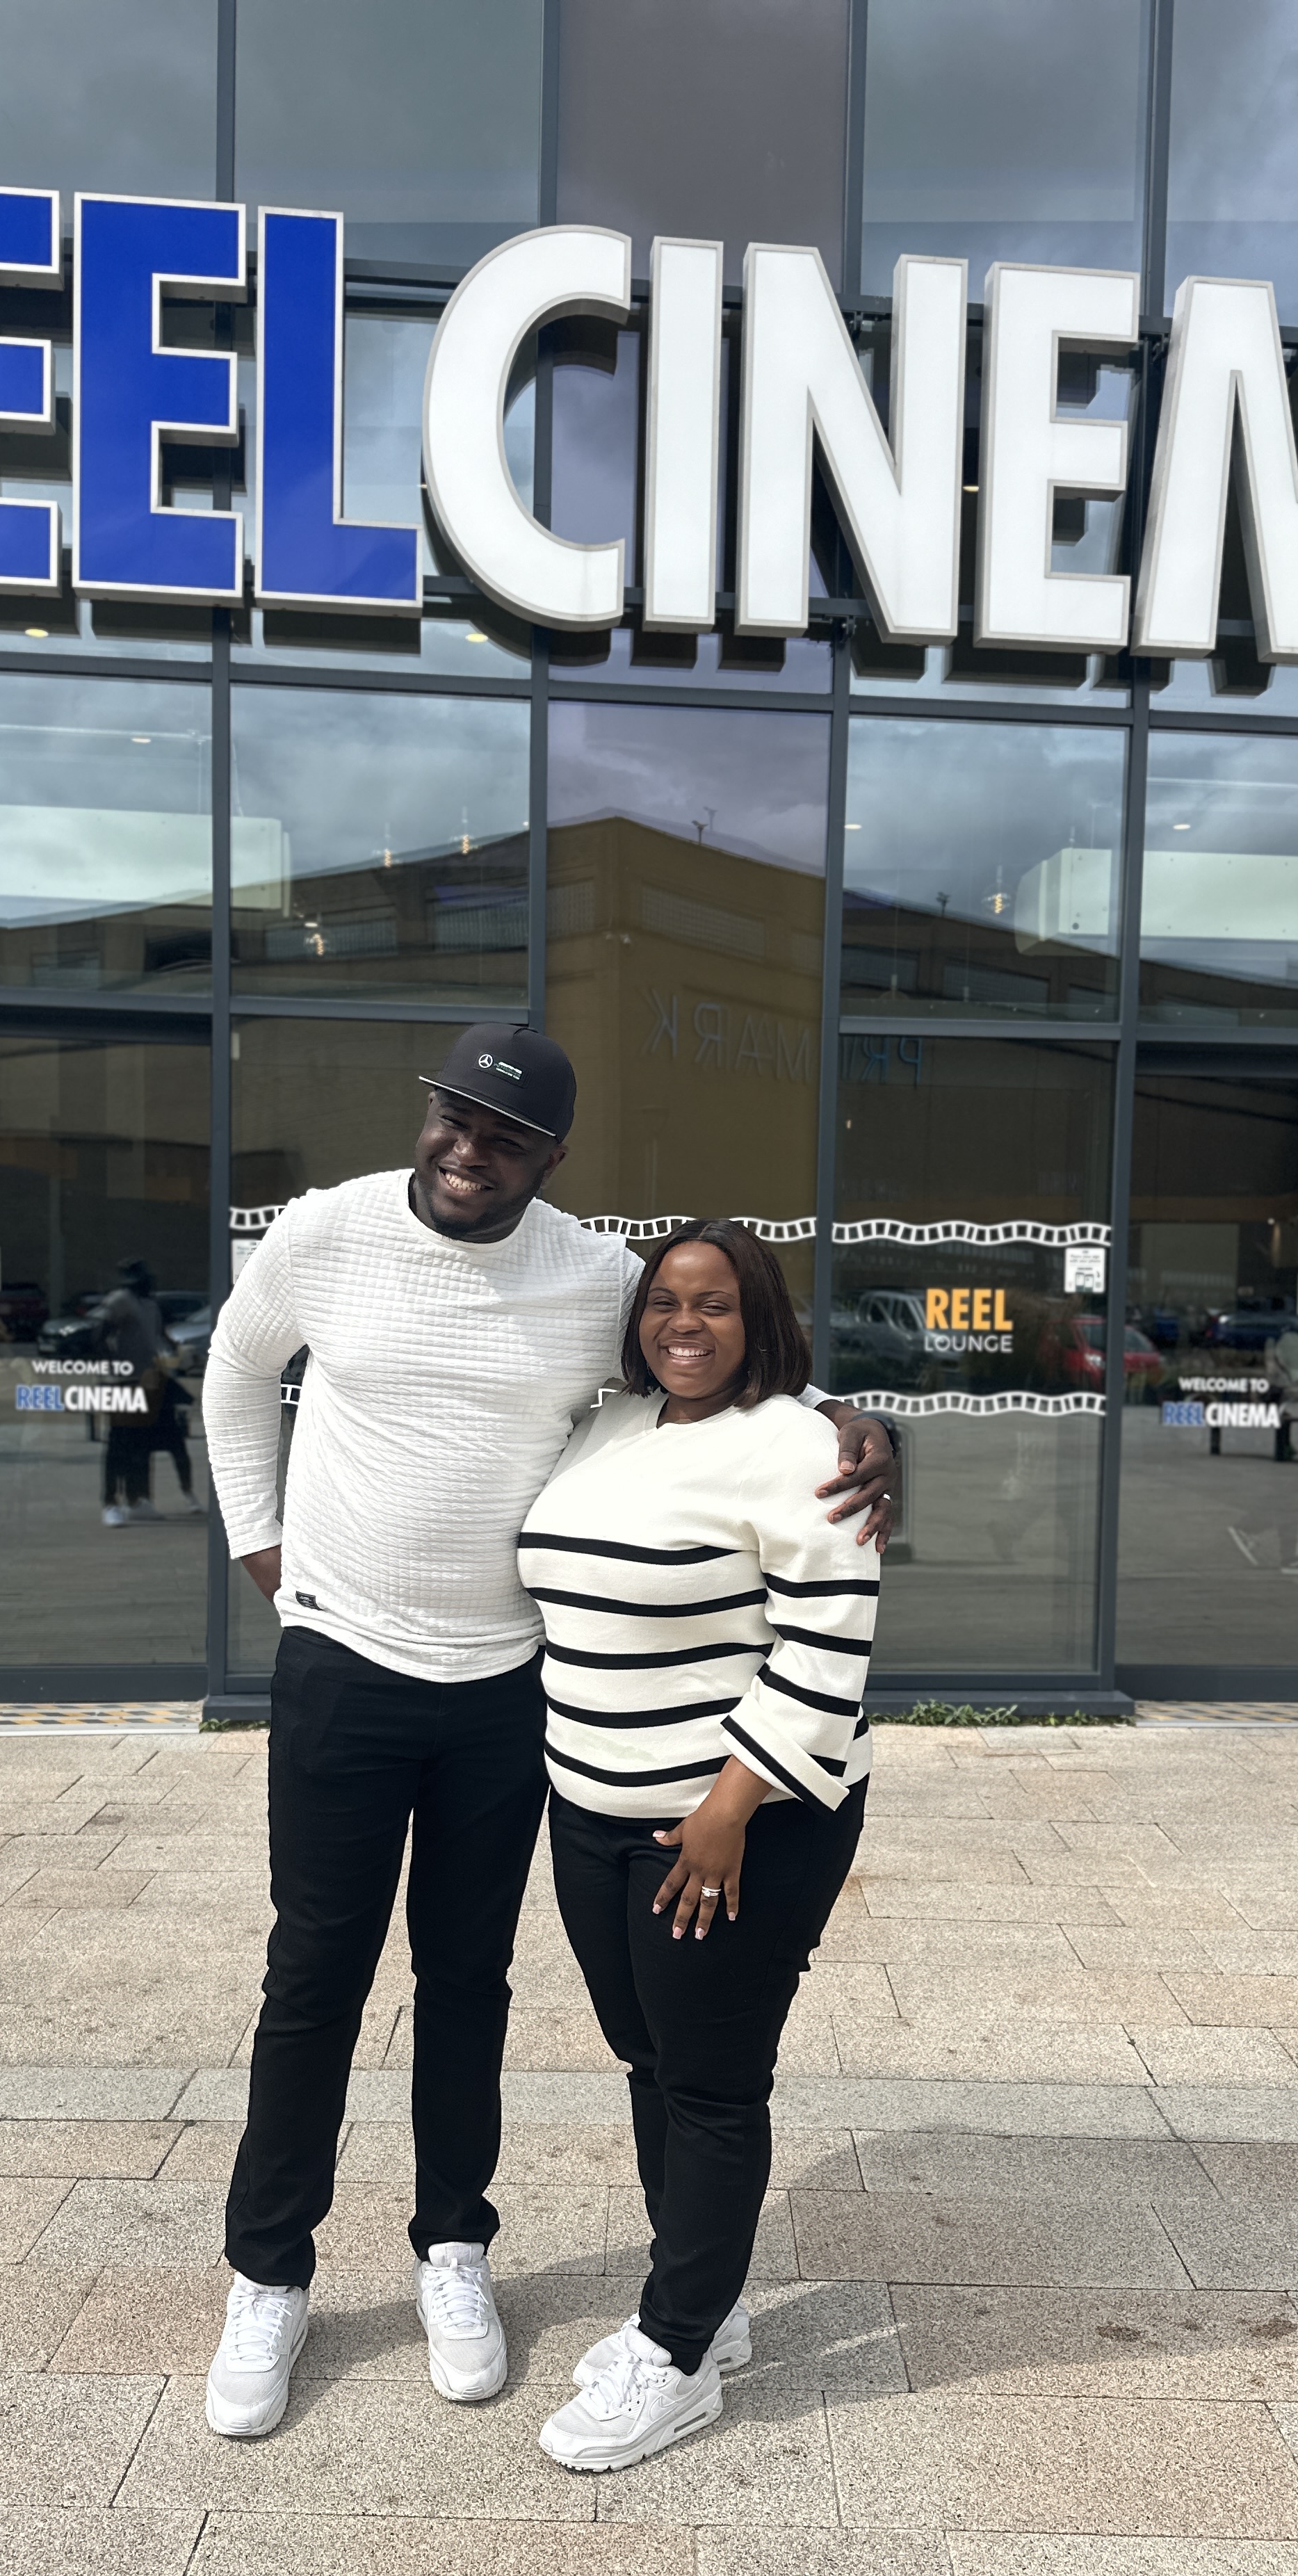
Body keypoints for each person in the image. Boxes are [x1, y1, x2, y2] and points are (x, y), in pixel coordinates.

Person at [197, 1023, 898, 2442]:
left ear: (552, 1157)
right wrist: (264, 1550)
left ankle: (454, 2245)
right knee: (313, 1972)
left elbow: (712, 1354)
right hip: (340, 1665)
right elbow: (232, 1370)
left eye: (505, 1136)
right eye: (453, 1117)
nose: (469, 1149)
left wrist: (850, 1419)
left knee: (468, 1978)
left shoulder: (594, 1276)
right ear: (428, 1114)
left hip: (504, 1689)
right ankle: (269, 2272)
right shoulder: (326, 1231)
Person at [520, 1222, 879, 2471]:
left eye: (715, 1303)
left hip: (737, 1824)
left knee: (713, 2083)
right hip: (588, 1808)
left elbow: (828, 1641)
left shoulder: (801, 1447)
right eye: (664, 1301)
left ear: (757, 1315)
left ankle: (674, 2356)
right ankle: (704, 2301)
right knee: (647, 2057)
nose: (685, 1323)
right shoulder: (607, 1426)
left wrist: (729, 1807)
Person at [99, 1259, 201, 1525]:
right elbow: (100, 1334)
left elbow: (158, 1338)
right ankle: (111, 1502)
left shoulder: (150, 1306)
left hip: (146, 1382)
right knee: (119, 1444)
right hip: (122, 1382)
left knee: (140, 1444)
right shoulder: (120, 1301)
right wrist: (112, 1364)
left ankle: (138, 1499)